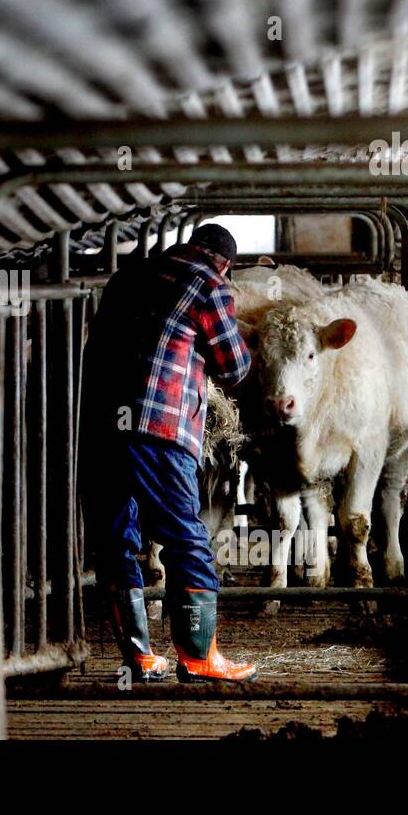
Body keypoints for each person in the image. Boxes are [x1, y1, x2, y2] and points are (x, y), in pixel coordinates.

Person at [81, 222, 257, 682]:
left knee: (117, 539)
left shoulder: (129, 276)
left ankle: (139, 658)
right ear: (225, 262)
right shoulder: (210, 283)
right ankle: (199, 657)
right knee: (186, 538)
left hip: (101, 426)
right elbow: (234, 367)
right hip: (159, 427)